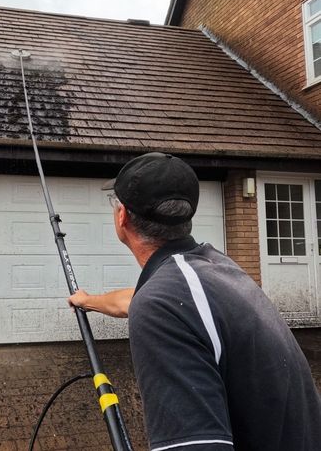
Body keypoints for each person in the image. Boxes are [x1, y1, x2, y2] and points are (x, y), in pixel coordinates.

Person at [68, 152, 321, 451]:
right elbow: (134, 301)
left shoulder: (163, 301)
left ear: (122, 216)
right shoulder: (213, 268)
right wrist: (87, 301)